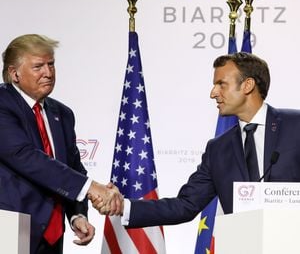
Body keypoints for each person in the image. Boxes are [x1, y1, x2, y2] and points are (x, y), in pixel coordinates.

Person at [91, 52, 300, 228]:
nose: (213, 93)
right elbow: (185, 205)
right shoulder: (218, 149)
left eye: (221, 84)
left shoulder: (295, 126)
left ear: (247, 85)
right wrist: (123, 206)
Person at [0, 34, 122, 254]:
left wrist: (77, 214)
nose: (48, 73)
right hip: (8, 228)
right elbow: (25, 156)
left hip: (52, 233)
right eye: (38, 66)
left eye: (51, 64)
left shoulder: (62, 114)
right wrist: (92, 188)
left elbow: (72, 168)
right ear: (14, 73)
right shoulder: (2, 104)